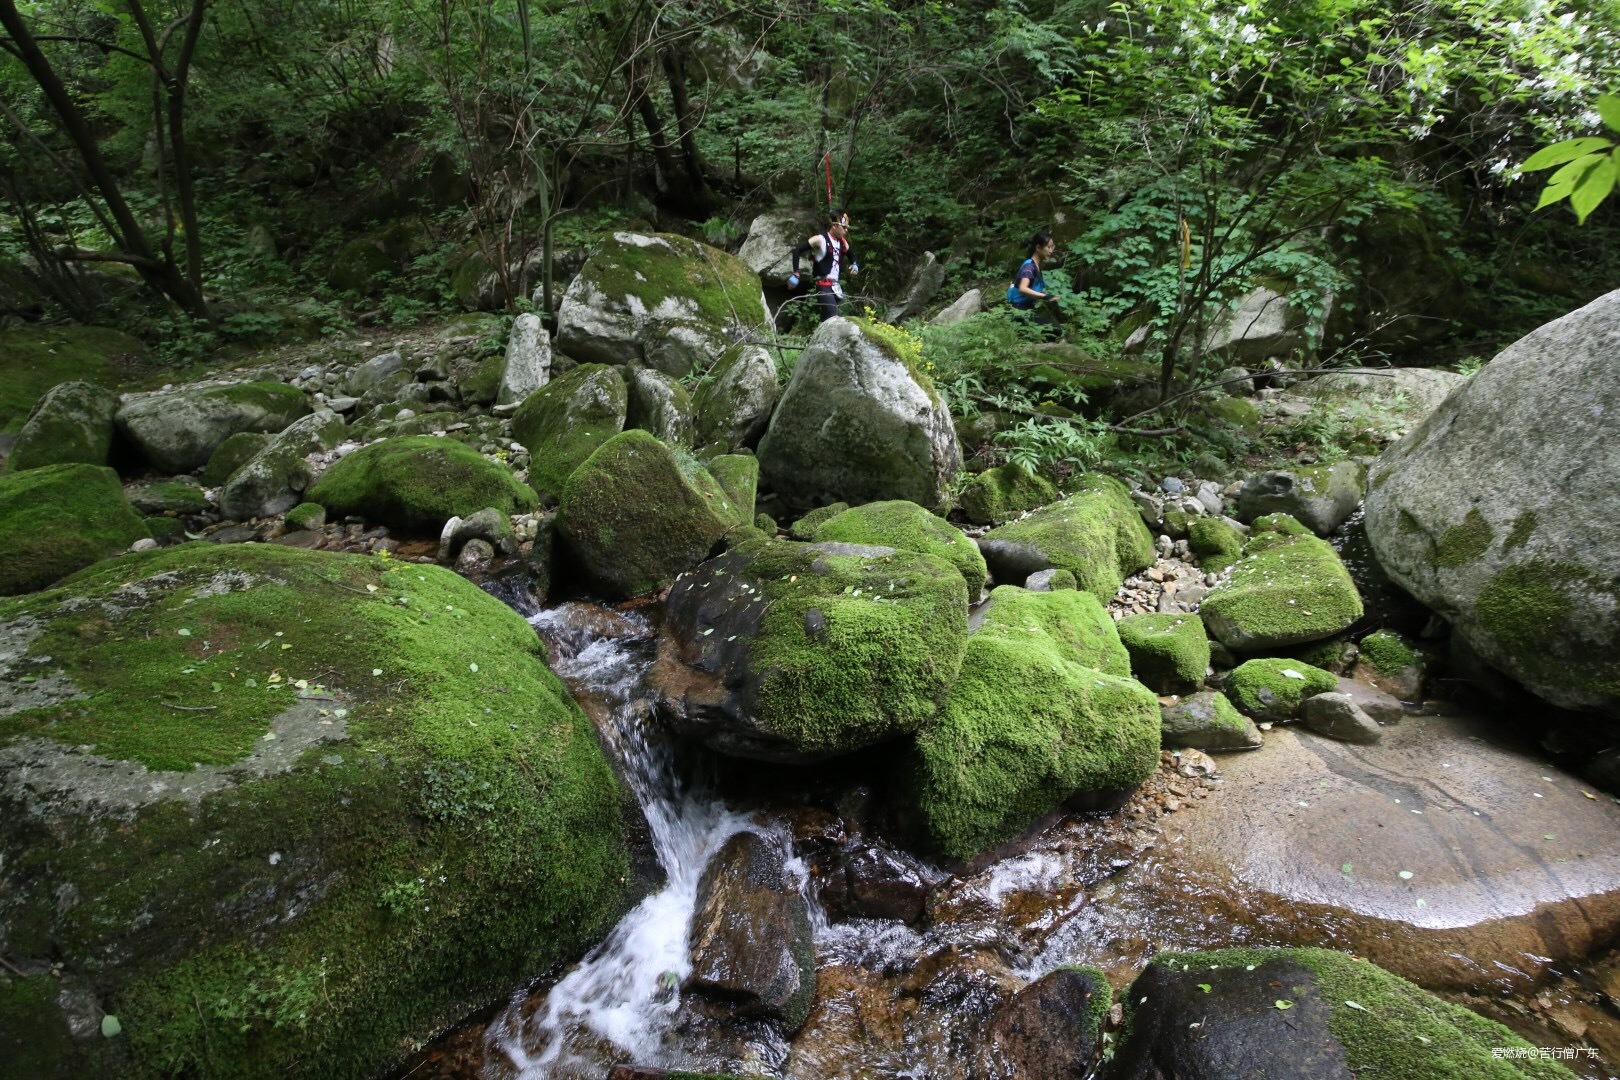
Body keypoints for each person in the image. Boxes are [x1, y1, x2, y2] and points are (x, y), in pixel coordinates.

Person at [790, 209, 859, 321]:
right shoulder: (820, 239)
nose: (846, 230)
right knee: (834, 317)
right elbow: (797, 250)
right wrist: (796, 272)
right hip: (823, 286)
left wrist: (855, 264)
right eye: (844, 227)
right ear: (835, 225)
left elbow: (852, 255)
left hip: (836, 287)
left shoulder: (842, 242)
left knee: (827, 319)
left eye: (847, 228)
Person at [1008, 230, 1059, 338]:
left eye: (1052, 247)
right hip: (1019, 311)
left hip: (1028, 310)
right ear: (1038, 248)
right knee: (1055, 330)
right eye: (1048, 247)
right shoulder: (1029, 267)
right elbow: (1023, 288)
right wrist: (1045, 296)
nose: (1051, 251)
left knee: (1054, 329)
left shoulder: (1035, 266)